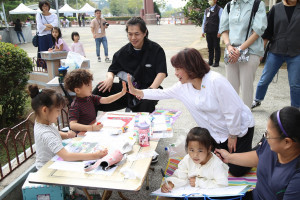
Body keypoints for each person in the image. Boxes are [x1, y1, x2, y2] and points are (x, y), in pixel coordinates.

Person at [128, 48, 254, 177]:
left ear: (190, 67)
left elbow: (233, 110)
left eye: (178, 69)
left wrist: (233, 135)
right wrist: (139, 92)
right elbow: (162, 93)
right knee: (214, 163)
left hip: (238, 128)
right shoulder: (183, 86)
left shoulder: (215, 81)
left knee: (237, 170)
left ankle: (258, 152)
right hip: (216, 132)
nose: (175, 73)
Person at [215, 106, 300, 199]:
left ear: (287, 142)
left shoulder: (297, 176)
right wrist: (229, 157)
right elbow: (259, 156)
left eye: (268, 135)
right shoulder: (272, 146)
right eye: (265, 133)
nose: (265, 138)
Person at [92, 17, 167, 113]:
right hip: (126, 90)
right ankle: (88, 124)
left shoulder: (156, 50)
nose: (133, 38)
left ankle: (142, 125)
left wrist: (150, 91)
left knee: (146, 104)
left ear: (145, 33)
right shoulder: (123, 52)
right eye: (130, 34)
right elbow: (112, 70)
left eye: (137, 34)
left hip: (147, 90)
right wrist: (110, 78)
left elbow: (162, 73)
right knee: (98, 91)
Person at [28, 84, 108, 170]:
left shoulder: (43, 121)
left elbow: (53, 132)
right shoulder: (45, 133)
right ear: (45, 110)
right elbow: (66, 156)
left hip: (54, 161)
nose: (59, 114)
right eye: (57, 110)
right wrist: (95, 155)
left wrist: (66, 135)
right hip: (47, 170)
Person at [252, 0, 300, 109]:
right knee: (265, 79)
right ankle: (257, 99)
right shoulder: (276, 8)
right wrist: (261, 51)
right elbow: (268, 32)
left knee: (295, 84)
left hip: (296, 52)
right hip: (276, 50)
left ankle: (295, 109)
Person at [219, 0, 267, 108]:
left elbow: (258, 31)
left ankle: (247, 121)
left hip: (250, 51)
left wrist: (240, 49)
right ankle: (233, 118)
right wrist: (229, 47)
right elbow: (224, 29)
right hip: (231, 51)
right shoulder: (229, 6)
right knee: (231, 88)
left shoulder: (257, 4)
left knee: (247, 87)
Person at [161, 127, 229, 193]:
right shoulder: (187, 159)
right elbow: (180, 176)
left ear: (208, 149)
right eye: (191, 150)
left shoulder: (216, 164)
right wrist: (171, 183)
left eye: (200, 151)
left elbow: (222, 185)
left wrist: (199, 182)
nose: (195, 155)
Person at [36, 0, 58, 66]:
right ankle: (45, 67)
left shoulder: (54, 15)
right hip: (42, 36)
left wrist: (44, 25)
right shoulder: (39, 15)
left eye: (46, 6)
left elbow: (55, 25)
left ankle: (53, 66)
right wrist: (50, 26)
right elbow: (39, 26)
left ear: (48, 6)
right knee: (44, 52)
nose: (45, 8)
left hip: (52, 36)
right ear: (41, 7)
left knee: (53, 51)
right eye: (43, 6)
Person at [201, 0, 223, 67]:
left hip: (216, 32)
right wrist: (203, 31)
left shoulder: (220, 9)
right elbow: (204, 21)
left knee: (216, 47)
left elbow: (221, 21)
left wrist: (220, 31)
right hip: (208, 31)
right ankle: (210, 61)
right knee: (210, 47)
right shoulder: (207, 10)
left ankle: (216, 62)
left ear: (215, 0)